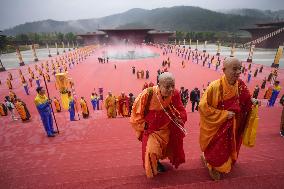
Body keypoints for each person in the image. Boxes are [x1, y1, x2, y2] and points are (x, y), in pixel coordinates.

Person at [199, 57, 257, 180]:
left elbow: (245, 100)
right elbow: (203, 107)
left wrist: (252, 101)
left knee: (231, 146)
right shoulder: (214, 87)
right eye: (234, 69)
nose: (238, 72)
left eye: (239, 69)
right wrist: (224, 114)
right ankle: (212, 165)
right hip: (218, 126)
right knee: (217, 149)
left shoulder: (241, 85)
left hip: (235, 124)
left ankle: (221, 161)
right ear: (224, 70)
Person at [130, 72, 187, 178]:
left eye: (172, 86)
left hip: (167, 128)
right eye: (167, 87)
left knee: (166, 149)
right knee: (151, 151)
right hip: (152, 131)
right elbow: (135, 114)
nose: (171, 89)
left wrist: (180, 118)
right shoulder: (147, 94)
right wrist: (145, 126)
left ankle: (159, 162)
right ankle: (153, 170)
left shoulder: (175, 94)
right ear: (159, 85)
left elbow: (181, 109)